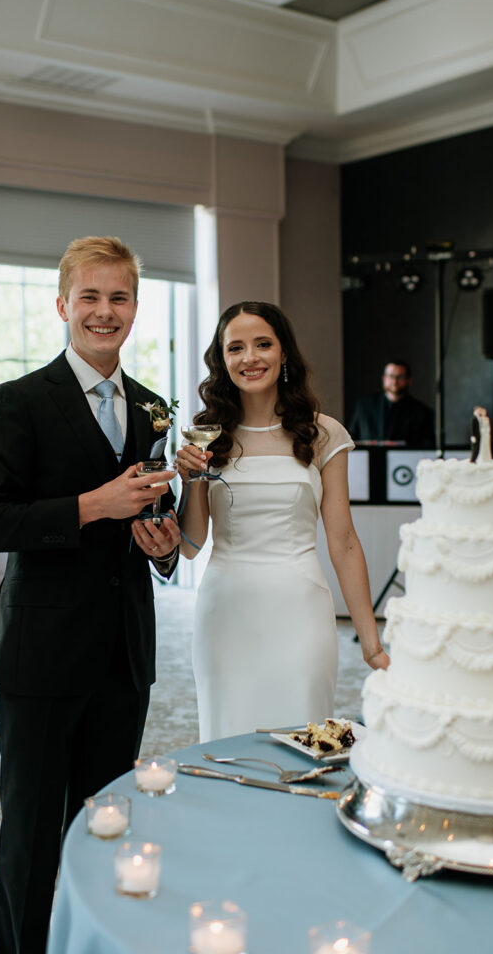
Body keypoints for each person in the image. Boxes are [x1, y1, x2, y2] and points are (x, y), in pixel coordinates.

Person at [0, 236, 180, 954]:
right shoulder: (18, 401)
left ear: (135, 308)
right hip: (41, 657)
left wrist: (165, 543)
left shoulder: (151, 407)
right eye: (90, 296)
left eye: (119, 297)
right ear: (63, 304)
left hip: (124, 654)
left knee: (107, 824)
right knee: (30, 835)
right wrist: (91, 505)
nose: (104, 311)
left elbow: (150, 516)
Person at [175, 301, 389, 743]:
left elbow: (344, 541)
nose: (249, 358)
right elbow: (191, 544)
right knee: (228, 743)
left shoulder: (323, 433)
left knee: (303, 743)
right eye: (235, 348)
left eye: (262, 344)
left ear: (284, 353)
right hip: (226, 613)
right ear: (222, 360)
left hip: (300, 610)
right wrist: (191, 478)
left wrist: (372, 645)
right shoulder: (207, 433)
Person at [348, 359, 435, 448]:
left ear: (409, 380)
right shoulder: (364, 406)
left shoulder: (422, 413)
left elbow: (426, 447)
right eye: (391, 376)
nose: (394, 381)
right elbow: (352, 438)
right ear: (384, 379)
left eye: (400, 377)